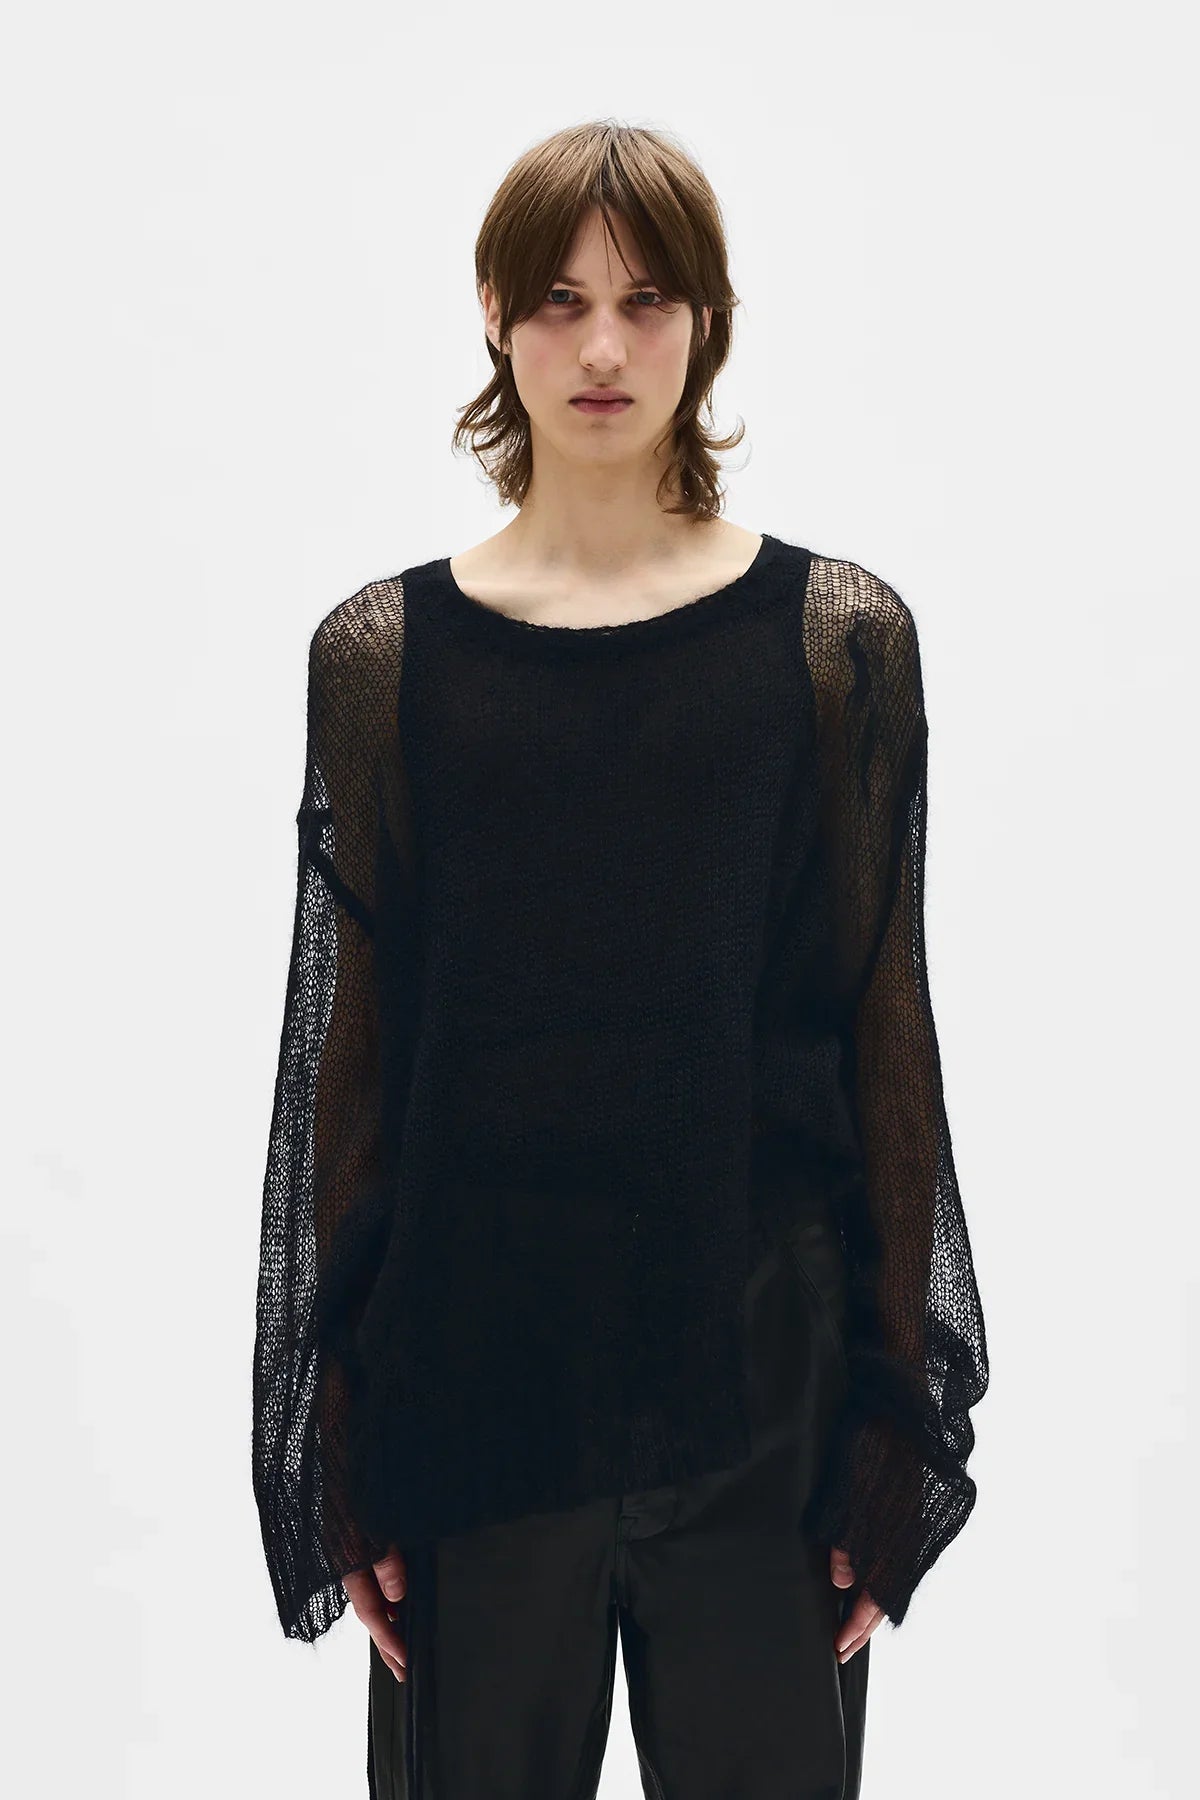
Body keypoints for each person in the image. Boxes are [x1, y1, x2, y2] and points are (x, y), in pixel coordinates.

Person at [251, 120, 989, 1800]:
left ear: (706, 322)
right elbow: (349, 1062)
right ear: (496, 318)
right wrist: (344, 1434)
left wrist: (894, 1427)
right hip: (476, 1377)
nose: (602, 347)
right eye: (560, 300)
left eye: (647, 301)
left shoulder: (837, 643)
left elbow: (888, 1041)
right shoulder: (383, 657)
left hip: (763, 1382)